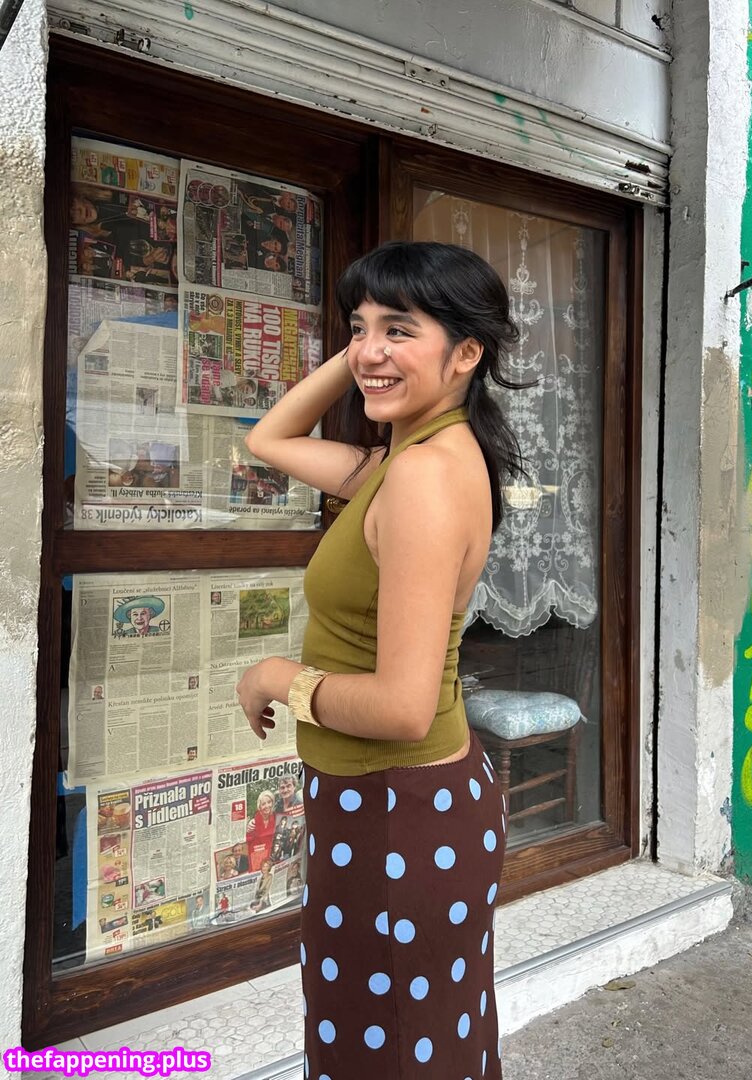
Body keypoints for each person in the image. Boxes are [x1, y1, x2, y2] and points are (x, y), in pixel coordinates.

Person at [236, 241, 528, 1079]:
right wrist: (377, 354)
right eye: (358, 327)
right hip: (396, 808)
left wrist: (278, 680)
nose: (369, 349)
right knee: (416, 1042)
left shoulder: (423, 477)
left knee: (386, 1054)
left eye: (401, 329)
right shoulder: (397, 462)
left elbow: (403, 706)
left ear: (467, 352)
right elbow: (268, 438)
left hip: (398, 814)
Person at [246, 789, 276, 869]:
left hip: (271, 858)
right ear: (259, 806)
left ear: (272, 803)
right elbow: (248, 842)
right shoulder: (253, 822)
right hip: (256, 857)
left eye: (269, 802)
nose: (267, 806)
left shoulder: (276, 817)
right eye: (263, 804)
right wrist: (248, 829)